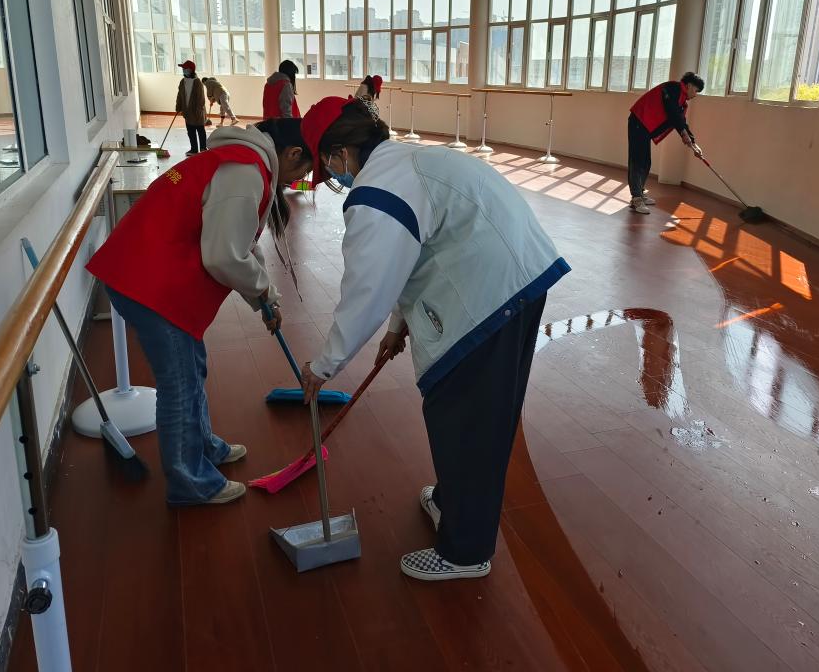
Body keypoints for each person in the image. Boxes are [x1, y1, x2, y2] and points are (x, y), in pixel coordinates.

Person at [298, 97, 570, 581]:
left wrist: (323, 365)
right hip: (519, 275)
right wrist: (397, 327)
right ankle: (452, 501)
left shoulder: (375, 192)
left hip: (491, 292)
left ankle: (465, 552)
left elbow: (367, 288)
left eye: (328, 165)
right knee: (471, 412)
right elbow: (408, 256)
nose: (333, 176)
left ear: (340, 152)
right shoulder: (405, 161)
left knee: (465, 416)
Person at [85, 120, 314, 506]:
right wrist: (262, 292)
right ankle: (189, 482)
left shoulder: (241, 161)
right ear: (293, 153)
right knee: (180, 383)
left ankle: (202, 445)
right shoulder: (245, 171)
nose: (298, 181)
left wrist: (266, 299)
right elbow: (224, 256)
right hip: (149, 283)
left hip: (148, 273)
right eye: (304, 172)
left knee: (193, 367)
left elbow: (241, 243)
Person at [627, 71, 705, 214]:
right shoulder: (673, 88)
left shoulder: (681, 101)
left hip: (645, 126)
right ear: (688, 85)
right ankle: (636, 198)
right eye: (696, 90)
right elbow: (672, 112)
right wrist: (683, 134)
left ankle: (639, 194)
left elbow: (680, 121)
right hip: (639, 121)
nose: (695, 95)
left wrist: (694, 143)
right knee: (638, 160)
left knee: (646, 161)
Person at [175, 60, 209, 156]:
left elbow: (200, 98)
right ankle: (194, 149)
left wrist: (197, 111)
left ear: (191, 70)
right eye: (183, 69)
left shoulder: (197, 82)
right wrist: (178, 106)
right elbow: (180, 95)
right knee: (190, 131)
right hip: (187, 111)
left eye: (185, 69)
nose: (183, 70)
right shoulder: (183, 81)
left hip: (197, 112)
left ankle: (203, 148)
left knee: (200, 130)